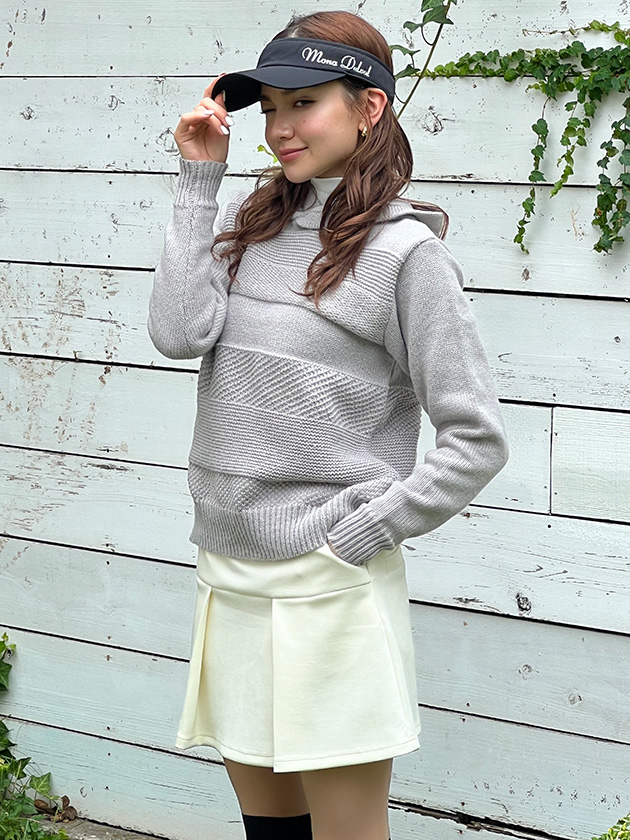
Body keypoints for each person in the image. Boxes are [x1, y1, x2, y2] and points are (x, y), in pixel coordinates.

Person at [147, 10, 509, 840]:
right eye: (270, 108)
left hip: (327, 583)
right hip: (229, 572)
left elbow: (477, 437)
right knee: (272, 832)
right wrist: (199, 179)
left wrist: (359, 533)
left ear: (368, 108)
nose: (279, 128)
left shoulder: (407, 254)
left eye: (303, 103)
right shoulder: (253, 226)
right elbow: (177, 333)